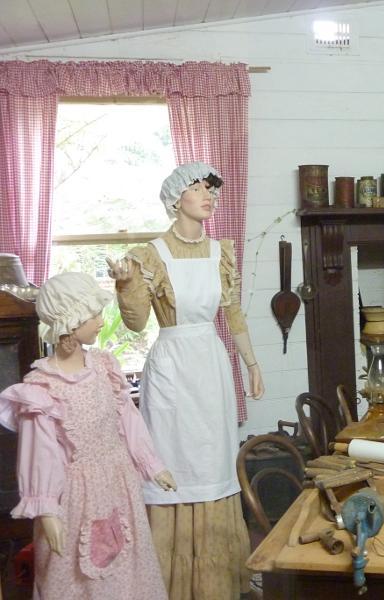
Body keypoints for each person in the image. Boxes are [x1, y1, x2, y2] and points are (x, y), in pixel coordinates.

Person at [106, 162, 264, 599]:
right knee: (175, 459)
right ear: (176, 199)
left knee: (214, 459)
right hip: (172, 366)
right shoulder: (149, 255)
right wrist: (124, 286)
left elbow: (232, 314)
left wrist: (251, 364)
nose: (209, 196)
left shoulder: (220, 252)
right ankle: (173, 584)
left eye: (211, 190)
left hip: (210, 363)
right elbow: (137, 324)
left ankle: (218, 580)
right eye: (198, 189)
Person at [0, 272, 176, 599]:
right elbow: (40, 456)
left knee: (129, 568)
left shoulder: (105, 367)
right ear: (71, 319)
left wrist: (152, 465)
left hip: (119, 486)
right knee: (74, 576)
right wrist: (47, 509)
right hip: (75, 499)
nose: (100, 320)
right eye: (93, 314)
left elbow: (127, 420)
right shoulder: (42, 390)